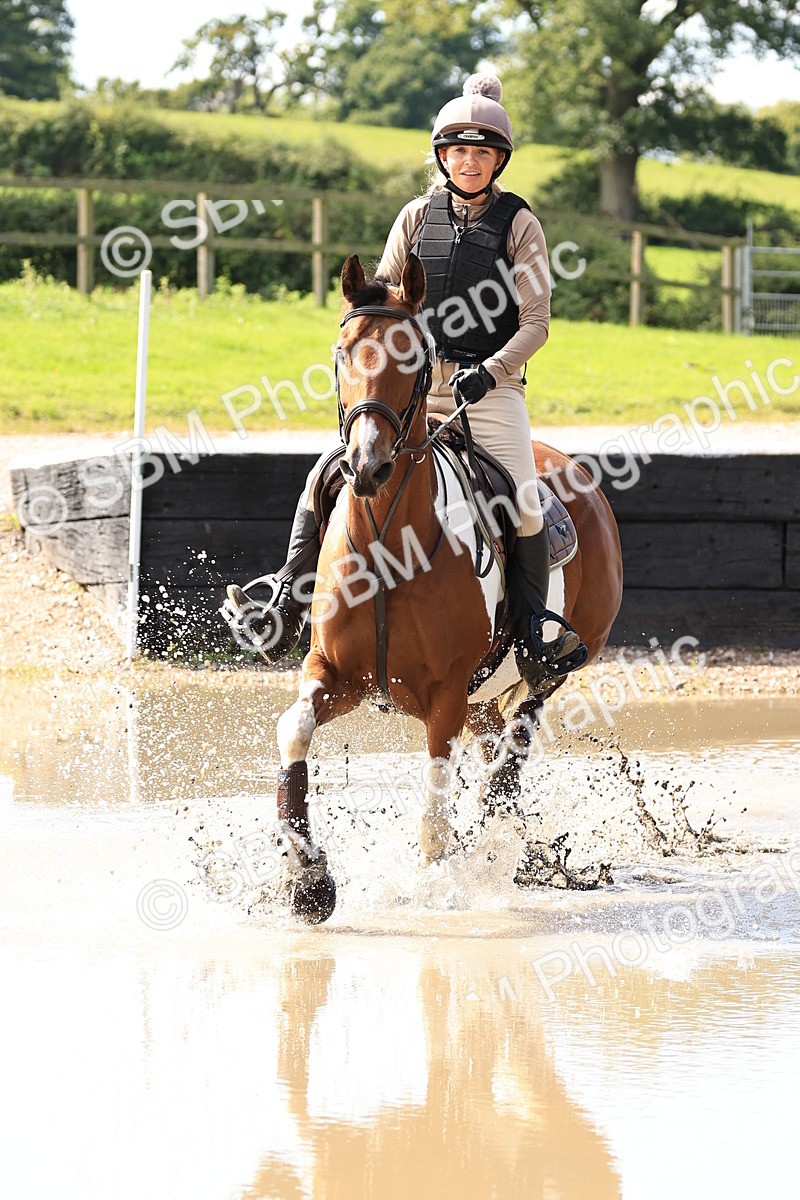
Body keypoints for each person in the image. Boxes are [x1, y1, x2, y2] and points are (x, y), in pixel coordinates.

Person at [222, 73, 584, 689]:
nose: (470, 162)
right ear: (442, 157)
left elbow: (537, 322)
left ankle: (532, 632)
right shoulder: (416, 216)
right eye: (458, 152)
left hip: (491, 392)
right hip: (411, 388)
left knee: (524, 501)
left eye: (482, 153)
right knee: (324, 478)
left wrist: (490, 372)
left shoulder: (521, 225)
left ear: (499, 161)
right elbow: (388, 297)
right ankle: (285, 599)